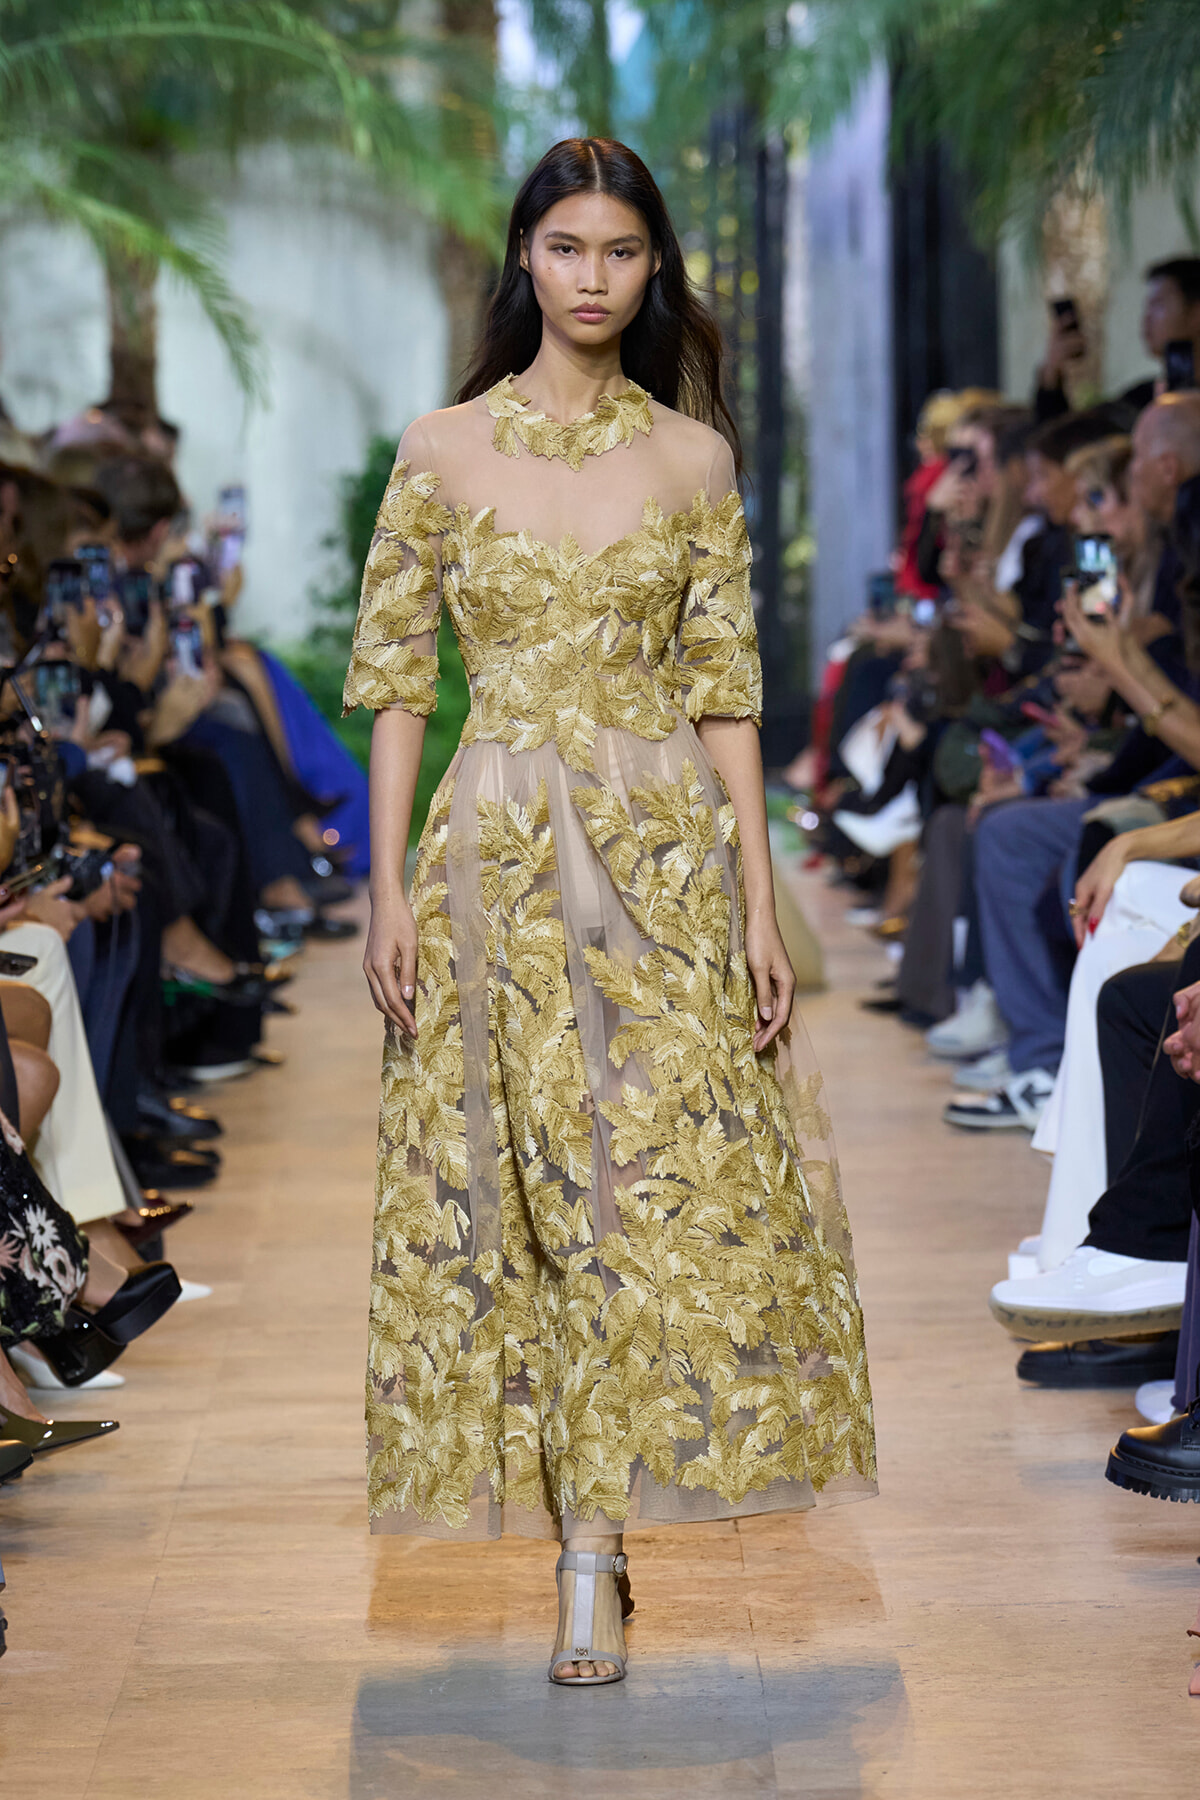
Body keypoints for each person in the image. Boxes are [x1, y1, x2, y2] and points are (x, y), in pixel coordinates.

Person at [344, 136, 877, 1689]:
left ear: (654, 270)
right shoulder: (442, 449)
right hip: (494, 853)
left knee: (640, 1194)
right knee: (522, 1198)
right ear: (526, 255)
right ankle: (586, 1541)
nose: (593, 276)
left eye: (622, 251)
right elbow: (396, 682)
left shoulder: (693, 463)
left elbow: (727, 694)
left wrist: (762, 905)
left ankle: (597, 1539)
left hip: (661, 856)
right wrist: (381, 889)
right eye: (567, 246)